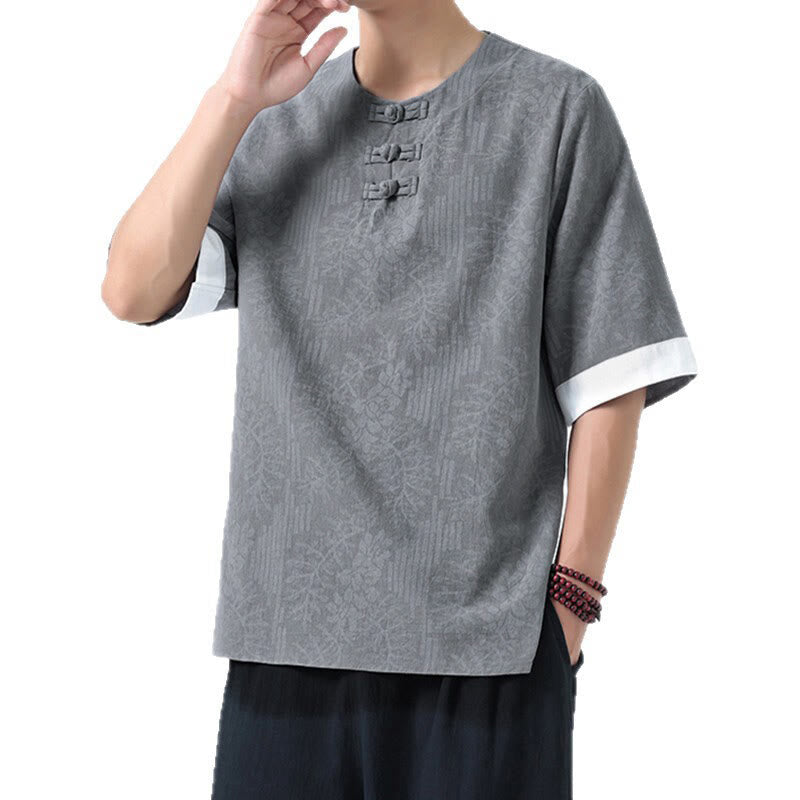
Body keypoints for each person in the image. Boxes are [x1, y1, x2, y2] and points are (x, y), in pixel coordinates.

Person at [102, 0, 698, 797]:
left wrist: (570, 606)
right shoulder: (277, 122)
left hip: (490, 656)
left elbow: (610, 371)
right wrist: (234, 98)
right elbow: (133, 290)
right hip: (284, 653)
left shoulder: (555, 109)